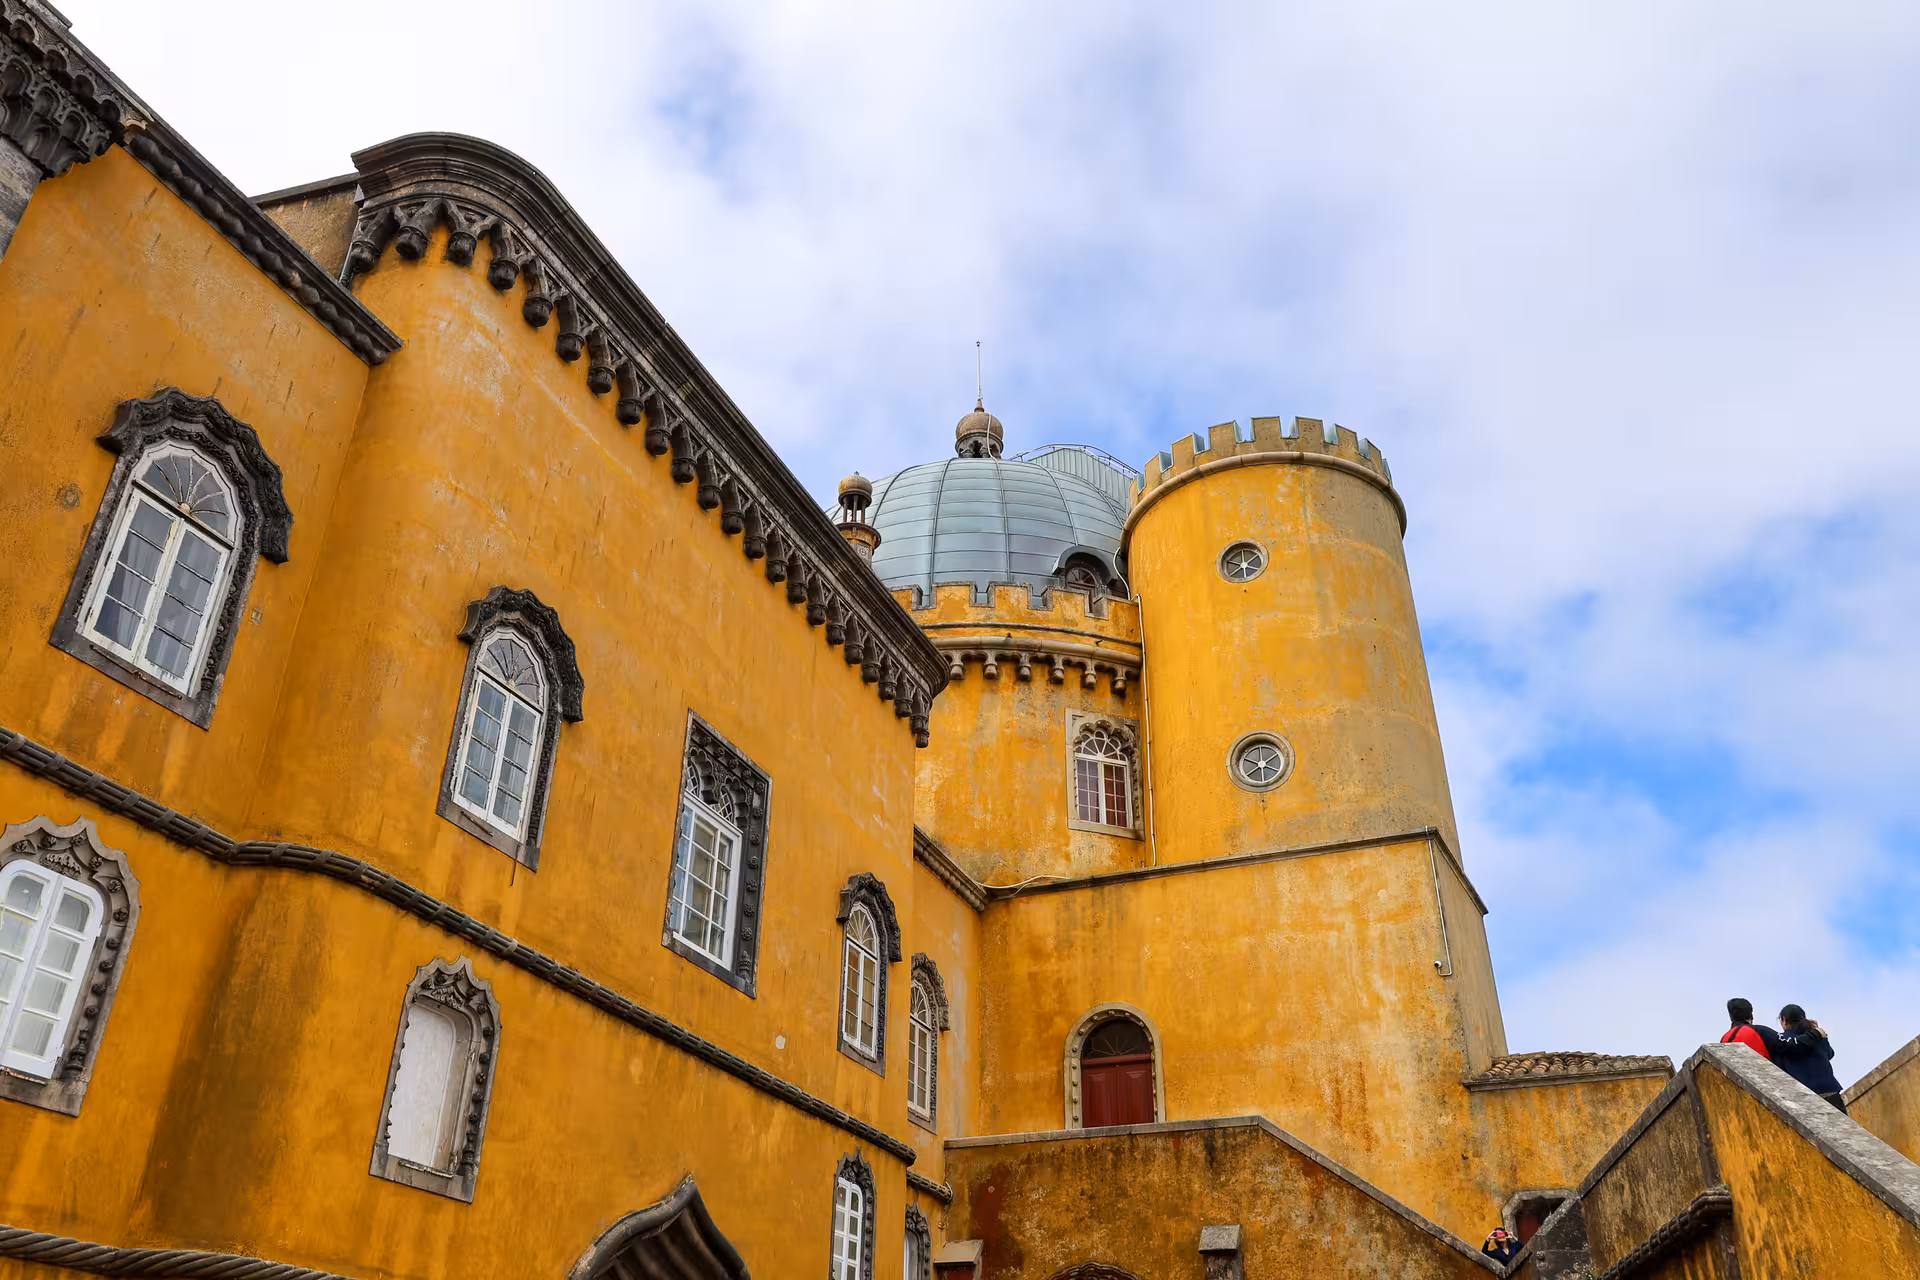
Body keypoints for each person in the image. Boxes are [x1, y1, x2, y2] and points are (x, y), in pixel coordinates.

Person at [1774, 1004, 1847, 1112]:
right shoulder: (1817, 1036)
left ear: (1784, 1020)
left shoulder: (1782, 1040)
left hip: (1804, 1097)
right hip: (1830, 1091)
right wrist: (1816, 1030)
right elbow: (1830, 1054)